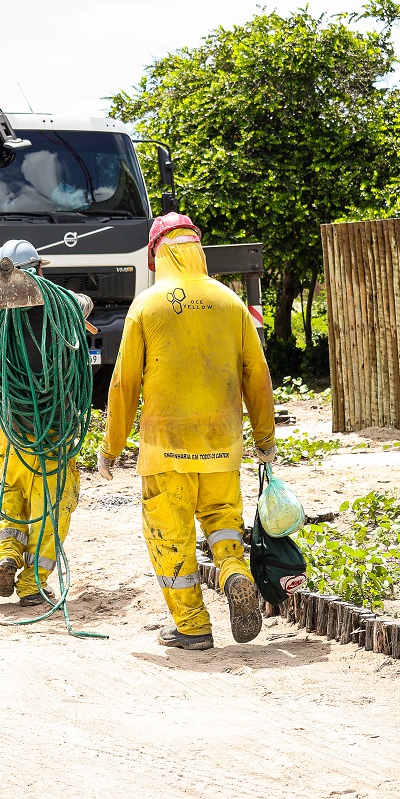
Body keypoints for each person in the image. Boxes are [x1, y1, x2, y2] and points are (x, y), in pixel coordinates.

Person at [97, 213, 276, 650]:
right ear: (199, 251)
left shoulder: (147, 305)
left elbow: (124, 384)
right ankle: (234, 574)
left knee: (171, 537)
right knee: (223, 525)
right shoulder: (231, 302)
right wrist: (265, 440)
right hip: (222, 445)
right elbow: (257, 376)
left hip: (166, 450)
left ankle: (193, 626)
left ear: (156, 256)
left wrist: (111, 446)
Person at [0, 239, 93, 607]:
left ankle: (7, 557)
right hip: (54, 430)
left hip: (11, 432)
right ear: (40, 270)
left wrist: (4, 380)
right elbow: (85, 302)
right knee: (53, 505)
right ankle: (33, 585)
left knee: (13, 498)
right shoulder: (63, 308)